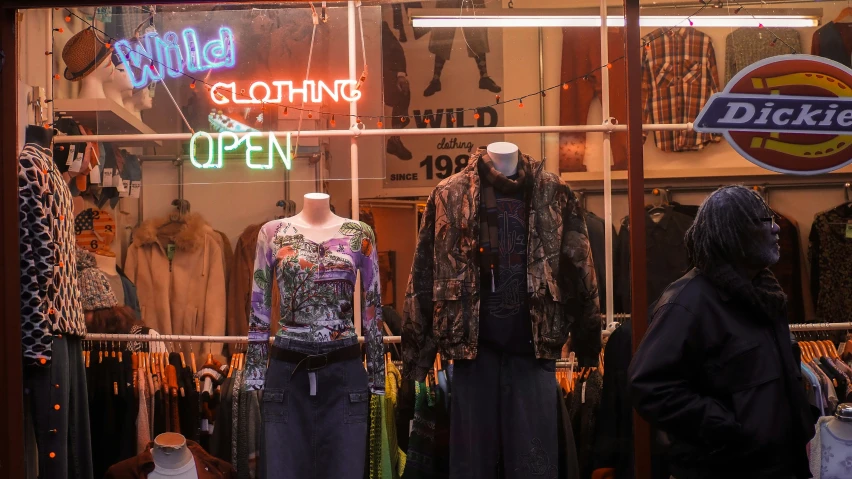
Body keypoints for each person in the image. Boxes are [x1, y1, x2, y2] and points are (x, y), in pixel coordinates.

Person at [628, 186, 815, 479]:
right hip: (724, 468)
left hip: (781, 465)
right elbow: (650, 387)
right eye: (765, 220)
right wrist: (728, 426)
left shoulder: (765, 294)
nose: (777, 228)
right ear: (734, 232)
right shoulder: (689, 301)